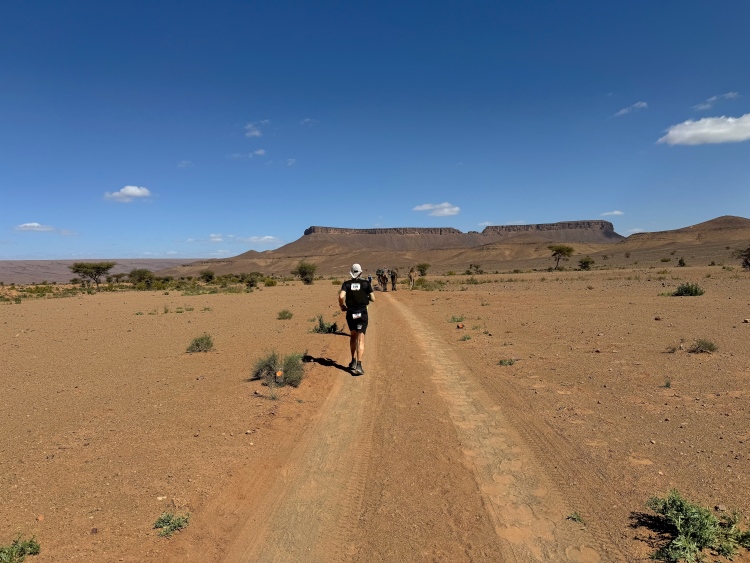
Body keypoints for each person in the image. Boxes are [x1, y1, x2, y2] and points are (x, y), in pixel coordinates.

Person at [339, 263, 374, 375]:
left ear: (351, 273)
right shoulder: (366, 283)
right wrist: (367, 297)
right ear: (361, 273)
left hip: (351, 314)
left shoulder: (346, 284)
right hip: (362, 314)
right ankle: (359, 365)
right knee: (360, 339)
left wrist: (342, 306)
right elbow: (373, 298)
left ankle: (353, 361)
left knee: (353, 336)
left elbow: (341, 296)